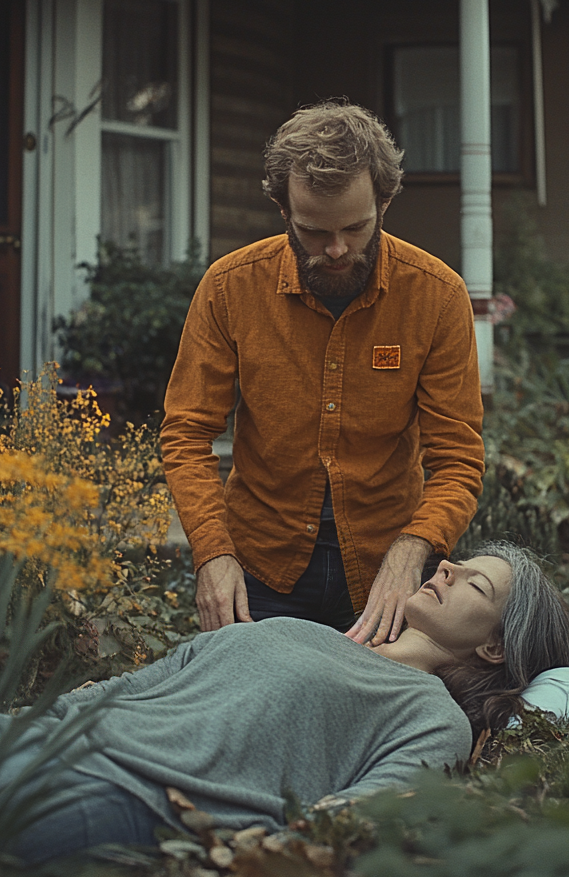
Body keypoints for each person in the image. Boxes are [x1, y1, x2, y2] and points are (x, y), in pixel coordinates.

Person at [0, 542, 569, 868]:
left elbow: (351, 820)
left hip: (135, 792)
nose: (447, 568)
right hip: (55, 738)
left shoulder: (431, 715)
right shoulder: (298, 629)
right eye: (460, 562)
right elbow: (131, 688)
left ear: (492, 650)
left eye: (475, 585)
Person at [160, 101, 485, 644]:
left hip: (388, 566)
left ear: (384, 202)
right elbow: (187, 433)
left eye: (355, 228)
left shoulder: (438, 296)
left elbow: (457, 459)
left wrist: (415, 548)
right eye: (312, 231)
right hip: (261, 565)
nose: (336, 250)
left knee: (400, 704)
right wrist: (212, 554)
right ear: (283, 210)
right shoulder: (228, 287)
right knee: (247, 703)